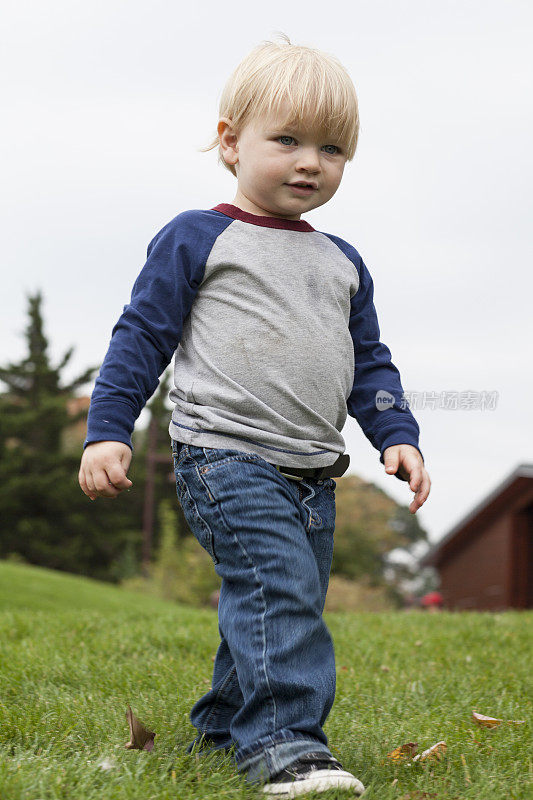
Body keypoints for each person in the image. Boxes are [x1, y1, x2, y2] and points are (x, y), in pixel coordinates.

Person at [79, 32, 431, 797]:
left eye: (332, 148)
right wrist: (108, 429)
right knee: (279, 588)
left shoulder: (341, 260)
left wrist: (396, 434)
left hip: (312, 469)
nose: (310, 161)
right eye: (288, 140)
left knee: (276, 594)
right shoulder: (197, 238)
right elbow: (141, 337)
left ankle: (221, 726)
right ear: (230, 142)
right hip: (224, 455)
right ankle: (285, 746)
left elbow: (369, 361)